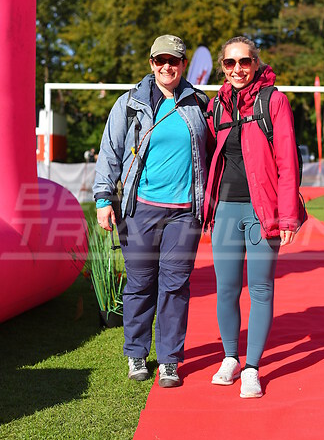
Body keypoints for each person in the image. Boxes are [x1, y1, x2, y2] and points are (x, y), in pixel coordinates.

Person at [93, 34, 209, 388]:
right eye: (161, 60)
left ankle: (170, 360)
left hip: (185, 214)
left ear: (183, 64)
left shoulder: (200, 103)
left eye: (173, 60)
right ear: (151, 63)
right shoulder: (129, 103)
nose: (167, 67)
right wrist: (103, 198)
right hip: (140, 209)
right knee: (141, 284)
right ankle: (137, 354)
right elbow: (110, 151)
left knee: (175, 286)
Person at [204, 36, 306, 398]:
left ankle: (251, 368)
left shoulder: (273, 100)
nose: (238, 69)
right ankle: (230, 358)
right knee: (227, 289)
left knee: (261, 289)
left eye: (244, 61)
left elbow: (288, 162)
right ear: (222, 67)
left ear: (256, 63)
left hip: (263, 211)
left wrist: (288, 216)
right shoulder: (216, 105)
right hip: (225, 210)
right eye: (230, 63)